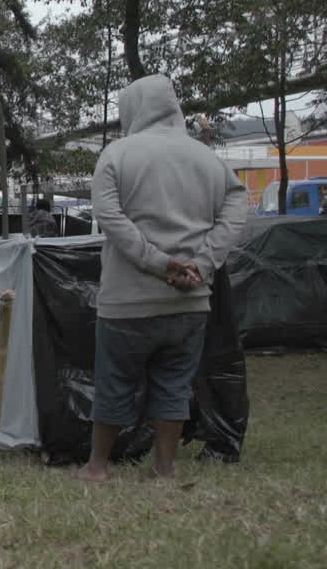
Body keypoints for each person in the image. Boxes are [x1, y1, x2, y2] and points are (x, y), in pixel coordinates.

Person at [74, 74, 247, 483]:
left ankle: (97, 467)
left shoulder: (116, 155)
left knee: (114, 382)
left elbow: (110, 218)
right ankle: (163, 468)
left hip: (126, 302)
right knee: (174, 384)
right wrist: (204, 263)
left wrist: (156, 262)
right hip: (190, 302)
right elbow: (238, 203)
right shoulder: (208, 159)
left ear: (132, 108)